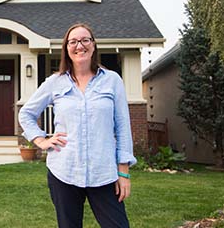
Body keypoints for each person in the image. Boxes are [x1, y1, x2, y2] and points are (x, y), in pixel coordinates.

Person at [18, 23, 137, 228]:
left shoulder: (112, 81)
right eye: (73, 41)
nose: (79, 45)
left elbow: (123, 127)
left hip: (104, 173)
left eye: (85, 40)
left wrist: (123, 172)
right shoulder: (55, 82)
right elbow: (26, 113)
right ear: (66, 48)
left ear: (93, 45)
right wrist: (41, 141)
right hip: (64, 171)